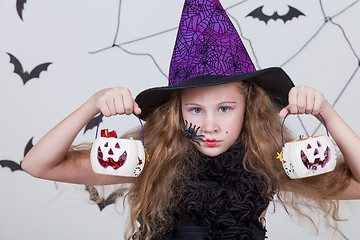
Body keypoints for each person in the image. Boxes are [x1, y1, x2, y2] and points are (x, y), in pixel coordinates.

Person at [22, 0, 360, 239]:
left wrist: (326, 112)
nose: (210, 125)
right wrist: (92, 104)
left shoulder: (268, 161)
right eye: (196, 109)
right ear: (177, 110)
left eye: (225, 109)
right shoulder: (152, 157)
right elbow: (38, 165)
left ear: (249, 108)